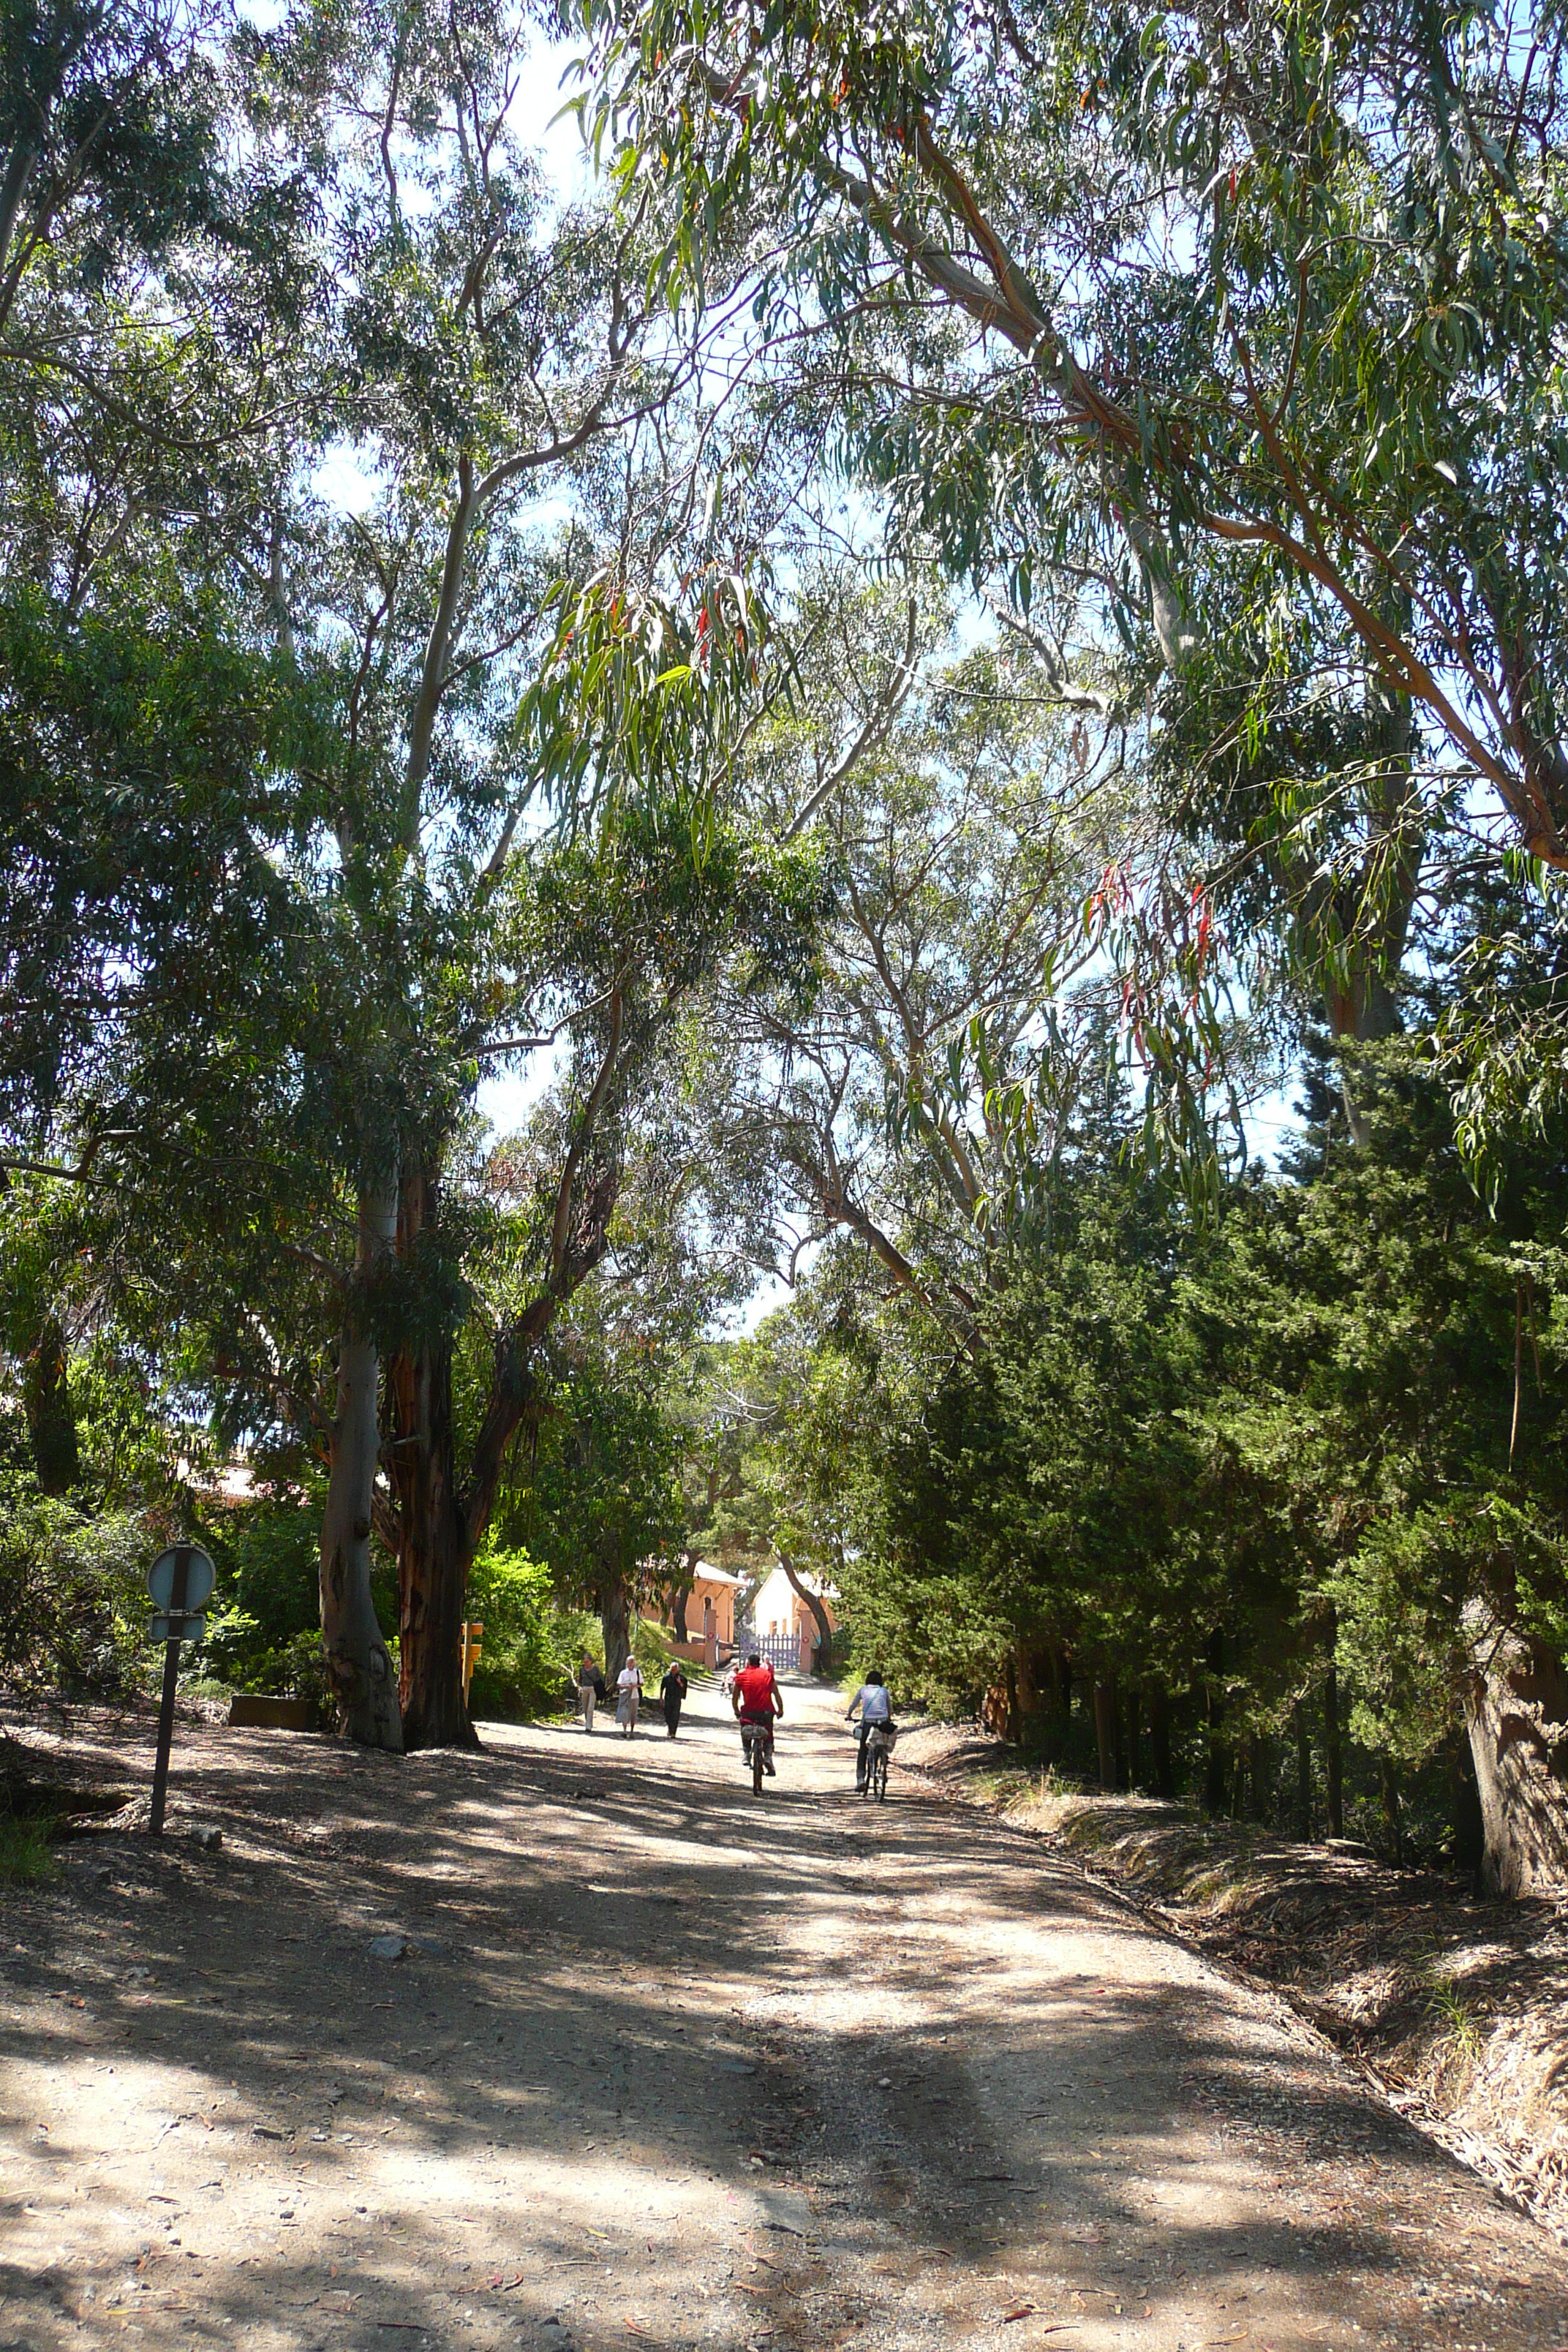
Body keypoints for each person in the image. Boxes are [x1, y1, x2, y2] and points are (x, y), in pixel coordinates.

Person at [731, 1650, 783, 1775]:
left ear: (748, 1663)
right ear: (759, 1663)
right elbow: (776, 1693)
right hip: (766, 1712)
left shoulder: (741, 1676)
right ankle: (768, 1757)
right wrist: (780, 1709)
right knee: (768, 1732)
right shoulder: (767, 1675)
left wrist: (736, 1711)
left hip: (748, 1712)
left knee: (745, 1729)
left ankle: (747, 1753)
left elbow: (734, 1698)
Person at [846, 1669, 894, 1790]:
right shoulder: (884, 1691)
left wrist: (849, 1715)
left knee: (863, 1749)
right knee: (882, 1744)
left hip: (868, 1723)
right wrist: (888, 1718)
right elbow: (890, 1708)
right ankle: (882, 1765)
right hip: (883, 1723)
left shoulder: (863, 1690)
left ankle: (861, 1779)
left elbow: (853, 1704)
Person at [577, 1651, 606, 1733]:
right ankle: (588, 1722)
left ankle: (588, 1727)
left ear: (590, 1661)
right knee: (585, 1707)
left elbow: (601, 1678)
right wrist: (580, 1687)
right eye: (584, 1661)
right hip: (585, 1688)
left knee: (590, 1708)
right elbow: (580, 1679)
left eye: (587, 1661)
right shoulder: (582, 1669)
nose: (585, 1663)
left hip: (593, 1689)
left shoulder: (595, 1669)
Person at [660, 1659, 689, 1738]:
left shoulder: (682, 1678)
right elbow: (662, 1688)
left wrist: (679, 1682)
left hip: (676, 1699)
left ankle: (673, 1732)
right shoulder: (666, 1677)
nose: (673, 1671)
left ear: (677, 1669)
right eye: (672, 1669)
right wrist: (661, 1698)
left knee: (675, 1715)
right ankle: (670, 1728)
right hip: (668, 1698)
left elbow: (684, 1687)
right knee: (667, 1714)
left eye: (675, 1670)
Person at [615, 1654, 643, 1737]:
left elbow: (641, 1684)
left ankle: (632, 1731)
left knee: (633, 1713)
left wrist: (635, 1686)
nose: (630, 1664)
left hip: (635, 1695)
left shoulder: (638, 1672)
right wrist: (627, 1686)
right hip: (625, 1695)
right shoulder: (623, 1673)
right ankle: (624, 1730)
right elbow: (619, 1685)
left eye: (631, 1662)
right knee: (624, 1712)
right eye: (628, 1662)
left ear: (634, 1663)